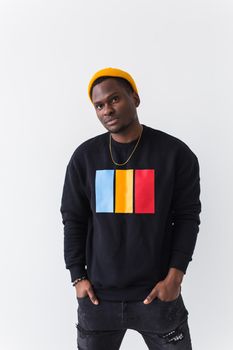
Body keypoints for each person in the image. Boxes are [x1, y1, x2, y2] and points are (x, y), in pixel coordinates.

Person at [60, 67, 202, 350]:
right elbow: (73, 219)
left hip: (158, 296)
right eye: (99, 105)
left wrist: (175, 277)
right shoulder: (85, 158)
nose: (107, 110)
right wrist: (77, 276)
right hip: (98, 299)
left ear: (135, 98)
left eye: (114, 99)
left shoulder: (175, 154)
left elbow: (187, 219)